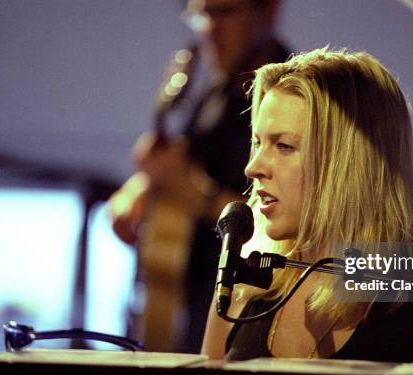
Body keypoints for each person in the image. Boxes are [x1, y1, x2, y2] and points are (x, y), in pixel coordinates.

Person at [202, 48, 413, 368]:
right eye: (258, 143)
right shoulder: (240, 291)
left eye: (284, 146)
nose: (253, 167)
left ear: (350, 165)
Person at [109, 0, 289, 353]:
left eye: (224, 12)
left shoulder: (291, 94)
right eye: (201, 14)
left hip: (247, 309)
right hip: (190, 301)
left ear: (267, 12)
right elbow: (182, 160)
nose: (209, 28)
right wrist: (137, 188)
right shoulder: (215, 91)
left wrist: (198, 195)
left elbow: (298, 220)